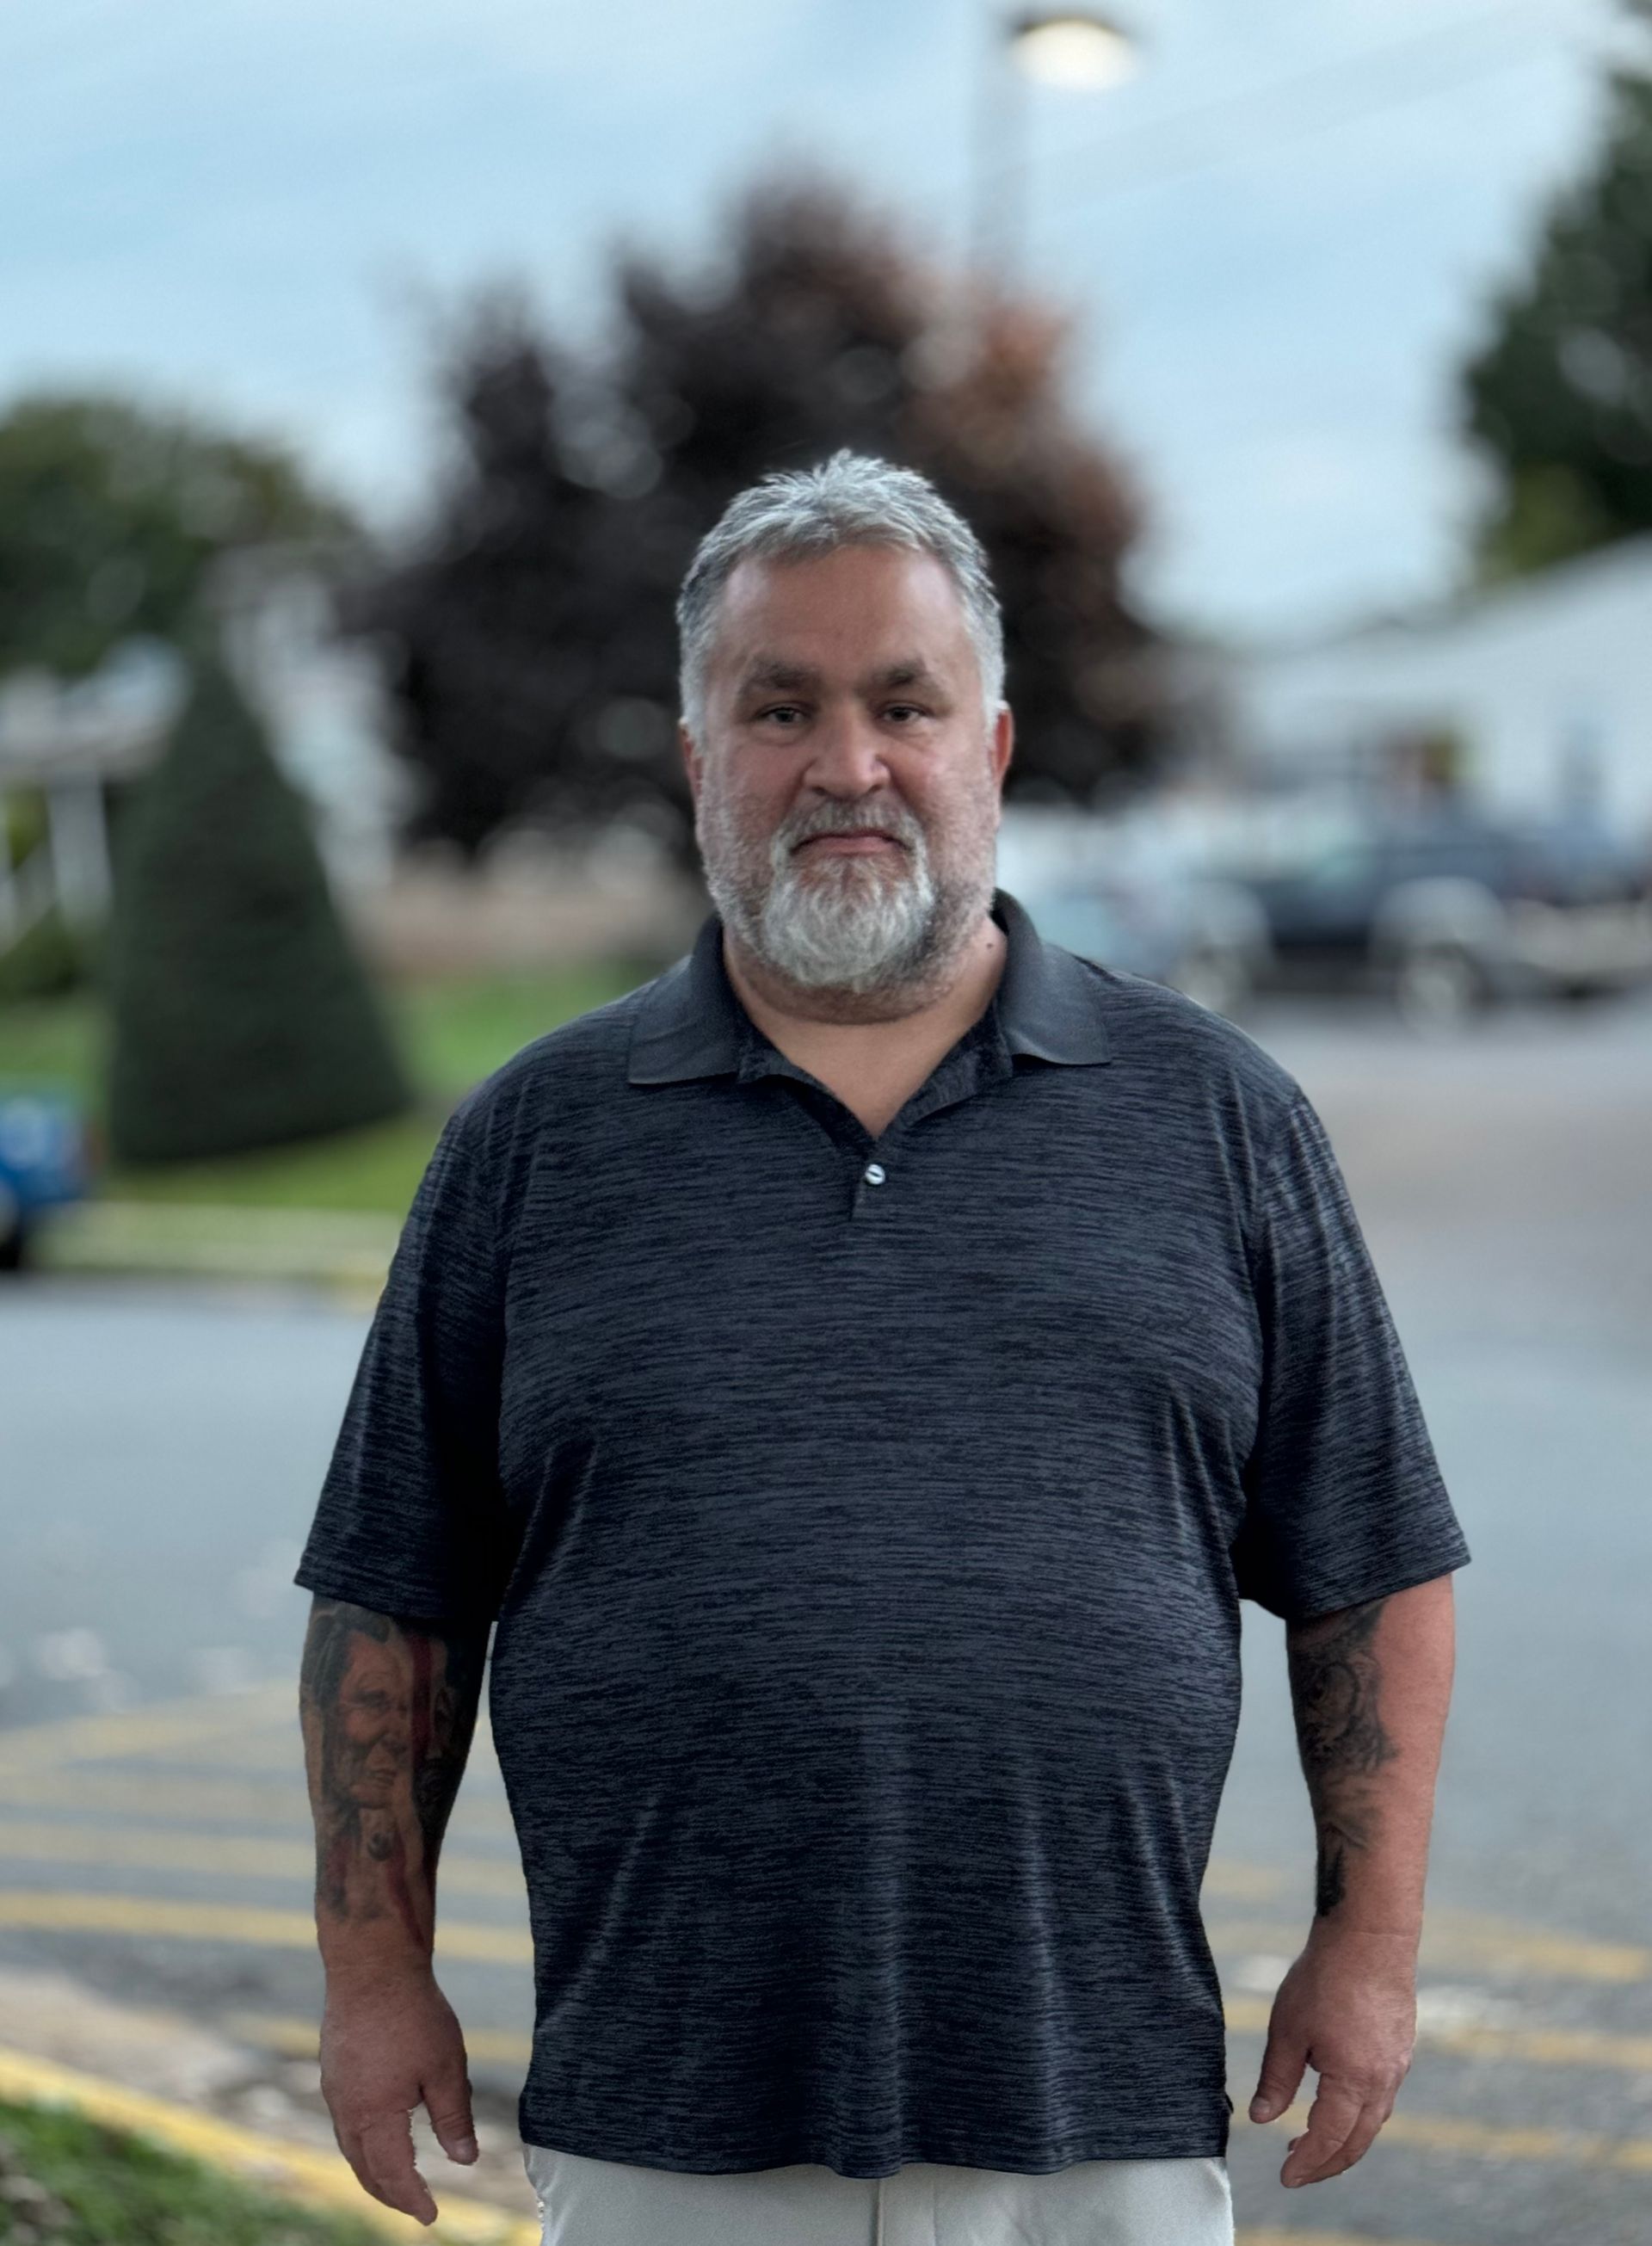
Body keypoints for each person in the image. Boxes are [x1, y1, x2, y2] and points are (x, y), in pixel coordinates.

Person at [295, 450, 1470, 2246]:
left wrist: (1369, 1946)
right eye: (782, 707)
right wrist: (376, 1980)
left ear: (988, 747)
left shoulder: (1219, 1117)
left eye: (902, 702)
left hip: (1097, 2129)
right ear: (702, 762)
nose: (847, 763)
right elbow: (394, 1598)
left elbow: (1369, 1564)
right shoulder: (536, 1145)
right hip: (665, 2133)